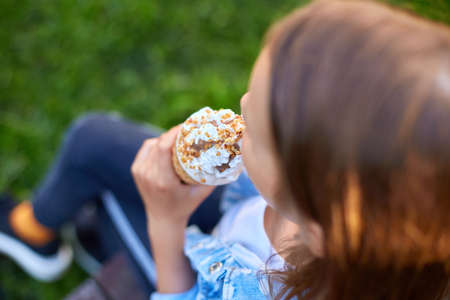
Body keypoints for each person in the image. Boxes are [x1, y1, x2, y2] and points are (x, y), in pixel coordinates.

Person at [1, 0, 450, 299]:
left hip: (185, 268)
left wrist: (166, 218)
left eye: (255, 128)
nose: (242, 105)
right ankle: (38, 231)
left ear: (317, 219)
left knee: (102, 199)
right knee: (92, 139)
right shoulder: (357, 202)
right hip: (226, 216)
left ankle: (90, 231)